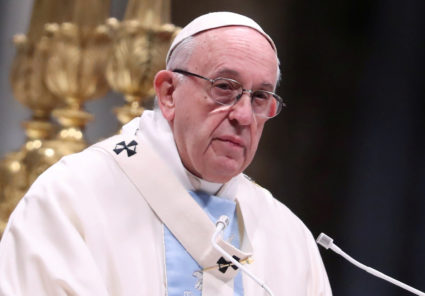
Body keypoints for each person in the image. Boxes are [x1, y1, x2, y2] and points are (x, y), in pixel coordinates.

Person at [0, 12, 332, 295]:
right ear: (169, 93)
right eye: (225, 87)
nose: (243, 116)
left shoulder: (287, 237)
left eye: (260, 97)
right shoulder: (70, 198)